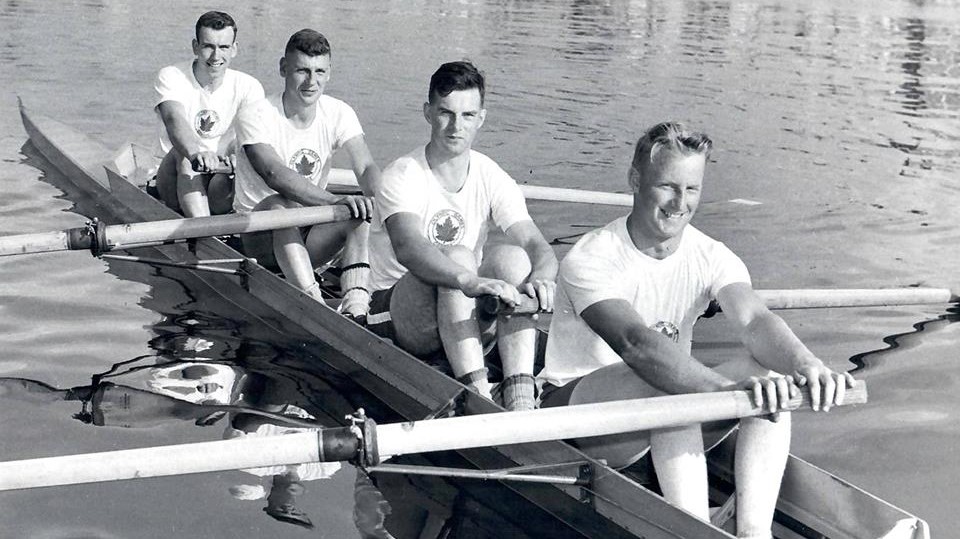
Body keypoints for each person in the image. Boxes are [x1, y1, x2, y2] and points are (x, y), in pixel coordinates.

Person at [536, 122, 855, 538]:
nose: (679, 203)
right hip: (578, 417)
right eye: (667, 187)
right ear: (635, 180)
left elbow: (755, 321)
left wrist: (807, 365)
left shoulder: (711, 255)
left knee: (768, 374)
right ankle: (695, 529)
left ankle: (754, 532)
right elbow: (635, 344)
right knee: (666, 376)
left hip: (666, 409)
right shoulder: (593, 256)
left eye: (691, 189)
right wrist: (725, 393)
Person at [366, 61, 557, 411]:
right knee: (459, 256)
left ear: (481, 118)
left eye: (467, 115)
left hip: (458, 308)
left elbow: (536, 245)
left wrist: (542, 278)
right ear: (428, 113)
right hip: (396, 316)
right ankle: (478, 398)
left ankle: (520, 396)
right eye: (446, 113)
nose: (457, 127)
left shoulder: (491, 175)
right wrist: (468, 280)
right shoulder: (403, 174)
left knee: (515, 258)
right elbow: (409, 249)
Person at [233, 29, 379, 317]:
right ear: (283, 68)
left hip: (310, 231)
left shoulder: (339, 112)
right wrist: (332, 201)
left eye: (319, 71)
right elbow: (274, 173)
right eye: (302, 71)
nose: (312, 82)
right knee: (280, 204)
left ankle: (356, 306)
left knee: (361, 212)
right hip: (256, 233)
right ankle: (315, 305)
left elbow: (365, 167)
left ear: (329, 72)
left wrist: (383, 202)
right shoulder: (256, 113)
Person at [153, 11, 265, 217]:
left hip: (218, 177)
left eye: (224, 47)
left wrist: (235, 155)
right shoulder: (171, 76)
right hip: (172, 178)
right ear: (195, 47)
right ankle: (204, 229)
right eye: (208, 46)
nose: (216, 56)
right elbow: (173, 119)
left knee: (239, 163)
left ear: (234, 49)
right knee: (183, 155)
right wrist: (196, 154)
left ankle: (208, 227)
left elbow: (248, 133)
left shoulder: (250, 86)